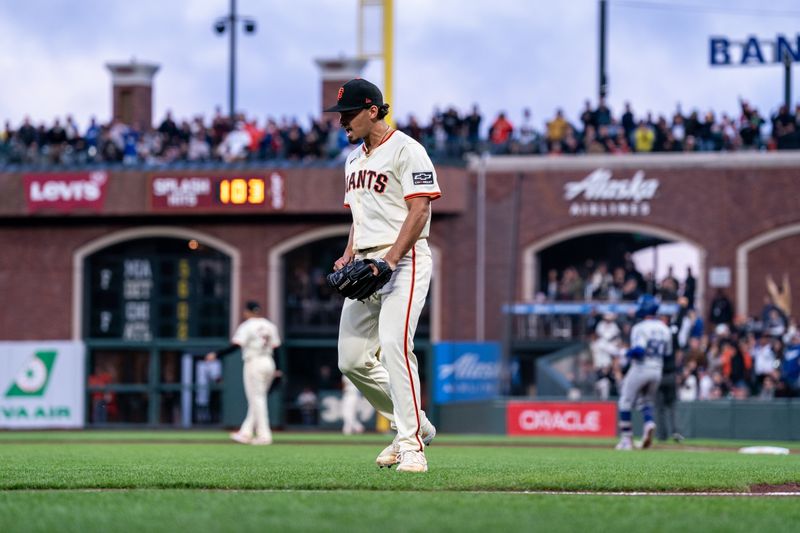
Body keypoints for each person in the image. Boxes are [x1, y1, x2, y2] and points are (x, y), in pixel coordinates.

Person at [324, 78, 439, 473]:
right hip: (366, 264)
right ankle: (416, 424)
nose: (342, 122)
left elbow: (419, 211)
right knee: (352, 360)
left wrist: (389, 260)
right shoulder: (353, 159)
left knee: (394, 345)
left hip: (404, 262)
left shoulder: (408, 150)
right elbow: (360, 217)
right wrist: (347, 254)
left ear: (373, 110)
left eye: (348, 114)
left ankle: (411, 446)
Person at [206, 300, 281, 445]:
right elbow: (276, 348)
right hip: (269, 362)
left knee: (257, 399)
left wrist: (216, 354)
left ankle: (264, 435)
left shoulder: (247, 326)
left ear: (247, 312)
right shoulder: (269, 325)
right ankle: (246, 432)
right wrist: (278, 370)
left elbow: (235, 346)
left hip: (254, 362)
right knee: (258, 399)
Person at [615, 295, 671, 451]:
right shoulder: (664, 328)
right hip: (657, 369)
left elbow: (639, 350)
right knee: (646, 401)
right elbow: (667, 353)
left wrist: (625, 353)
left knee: (625, 400)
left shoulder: (640, 327)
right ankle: (649, 423)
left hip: (641, 367)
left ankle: (626, 439)